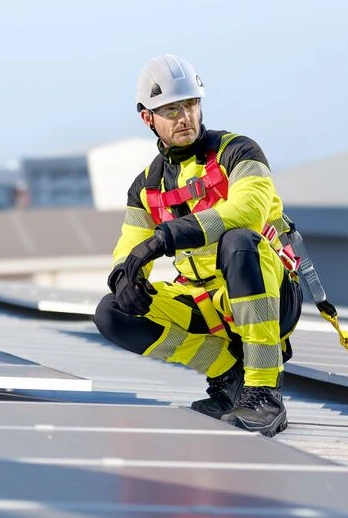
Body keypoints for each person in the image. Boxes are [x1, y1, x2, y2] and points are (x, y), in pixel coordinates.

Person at [94, 54, 302, 437]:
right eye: (171, 110)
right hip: (206, 304)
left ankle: (264, 393)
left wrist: (167, 237)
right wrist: (124, 276)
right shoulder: (146, 186)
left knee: (240, 243)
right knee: (112, 311)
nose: (185, 117)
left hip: (268, 293)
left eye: (190, 104)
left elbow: (248, 211)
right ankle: (227, 375)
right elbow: (130, 244)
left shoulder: (239, 152)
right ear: (148, 118)